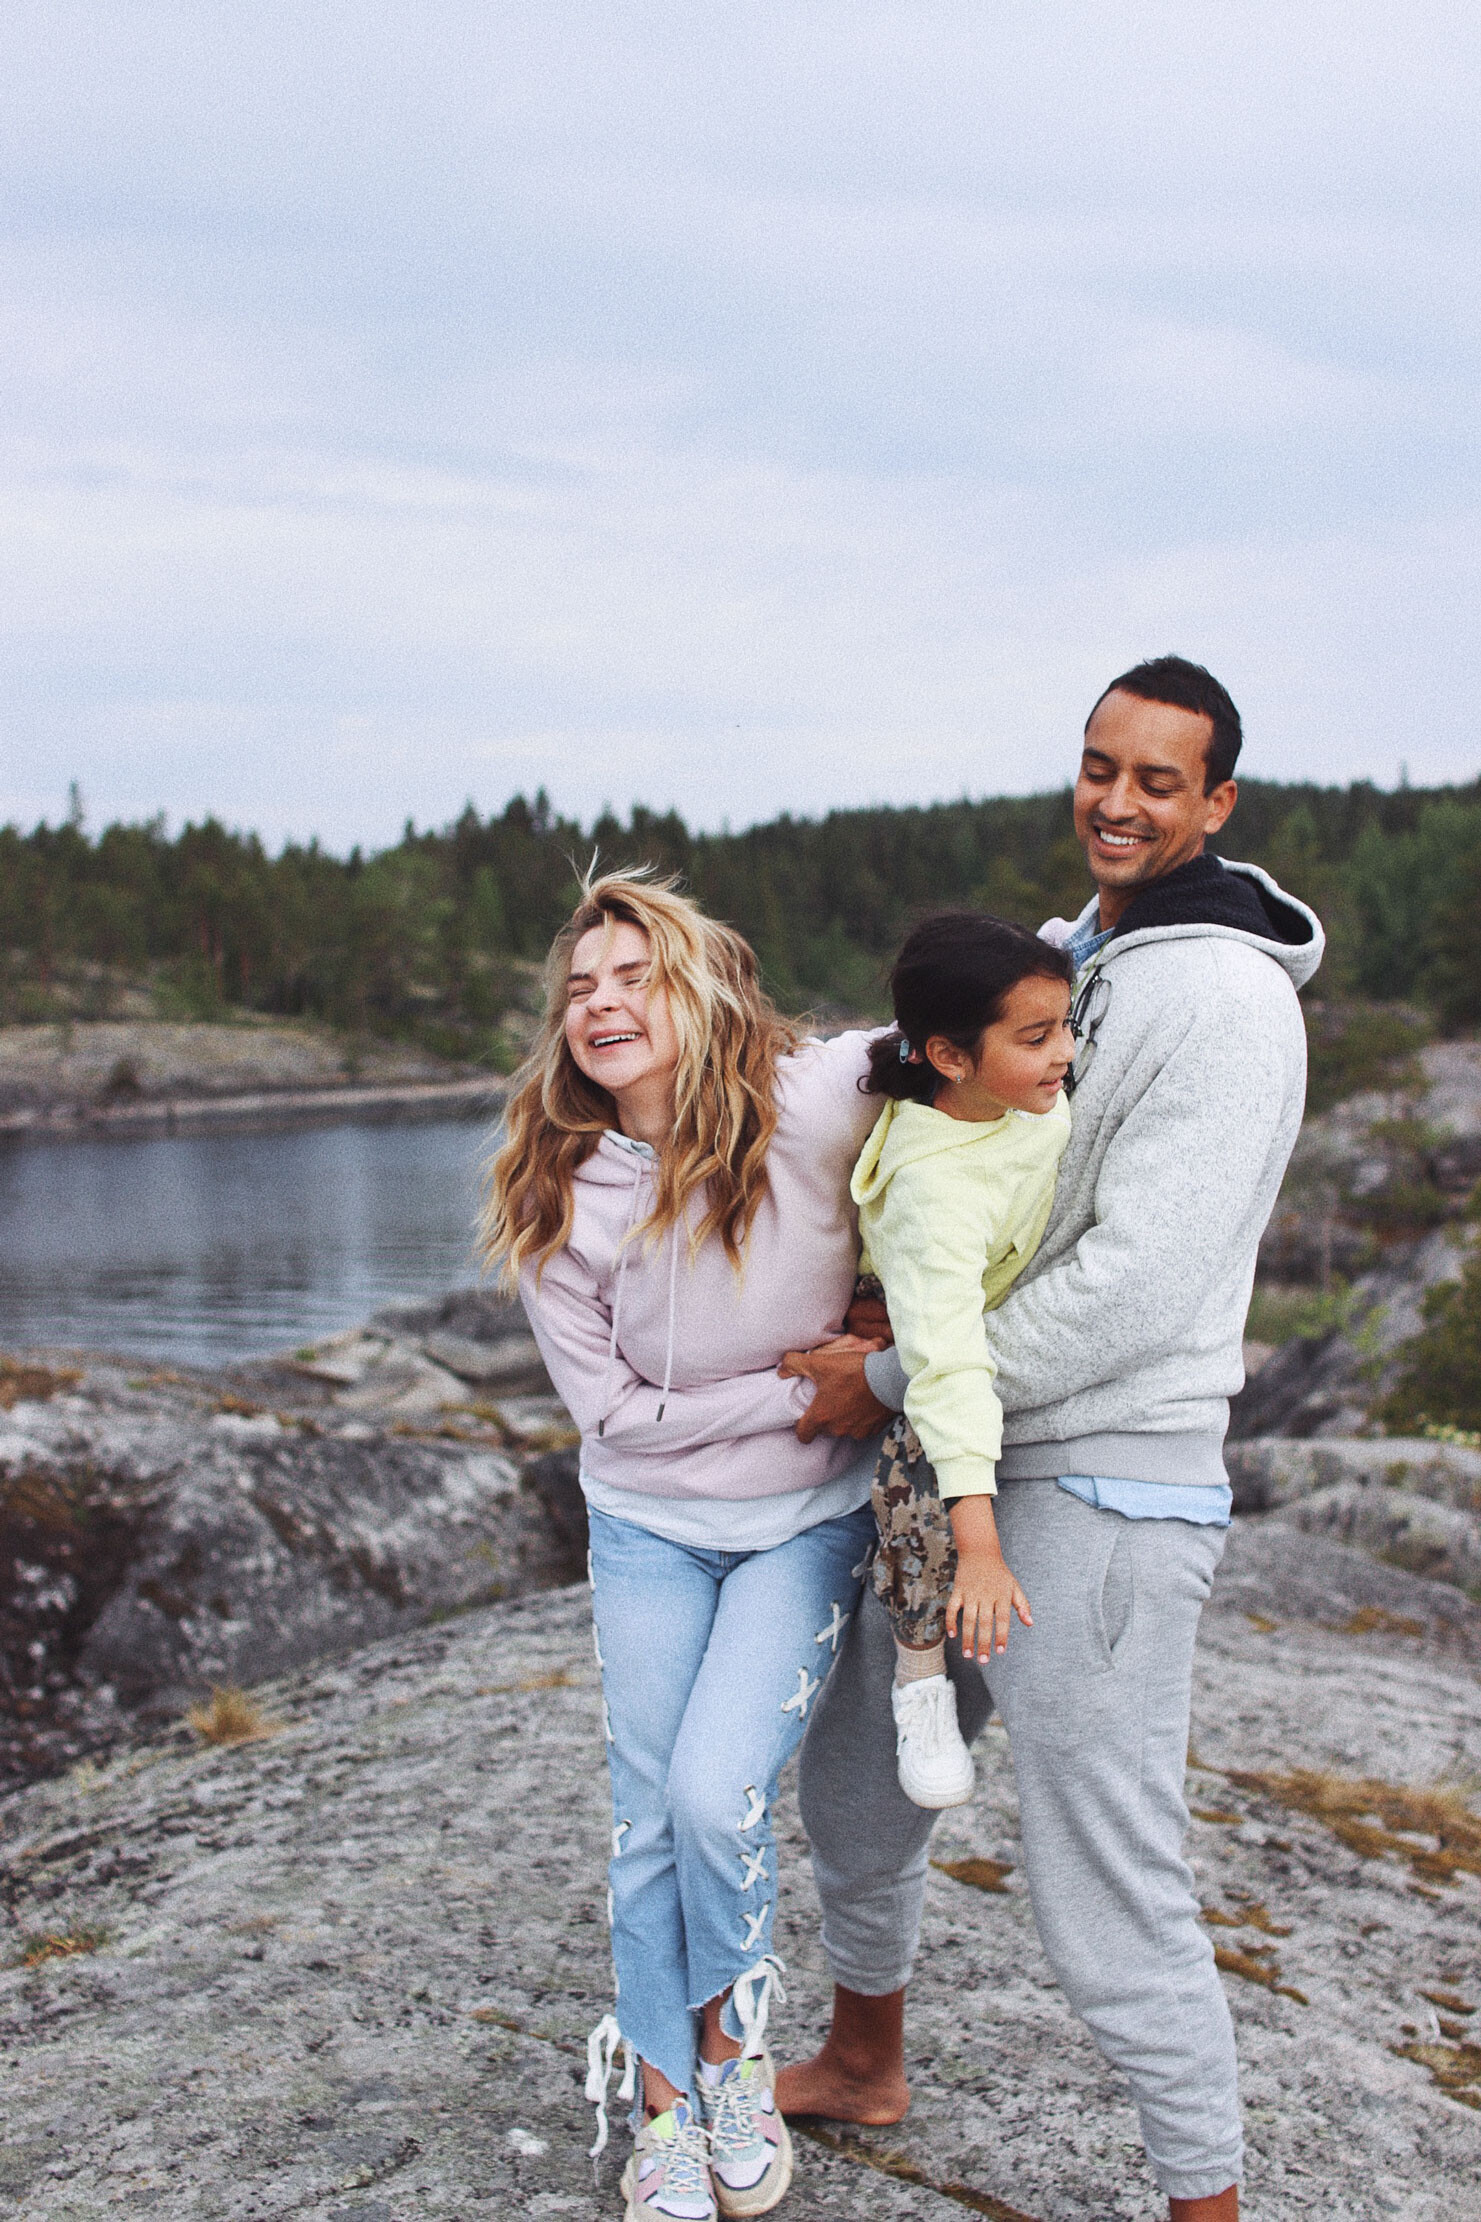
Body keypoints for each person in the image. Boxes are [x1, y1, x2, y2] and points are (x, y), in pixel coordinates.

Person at [776, 657, 1325, 2222]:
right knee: (861, 1773)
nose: (1117, 800)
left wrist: (886, 1382)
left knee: (1104, 1878)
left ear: (1216, 802)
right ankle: (864, 2055)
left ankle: (1204, 2201)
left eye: (1159, 780)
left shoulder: (1222, 1000)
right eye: (1100, 765)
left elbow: (1134, 1284)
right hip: (983, 1458)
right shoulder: (1083, 950)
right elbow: (988, 1181)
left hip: (1103, 1478)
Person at [481, 870, 887, 2222]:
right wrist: (806, 1387)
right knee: (649, 1815)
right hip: (648, 1530)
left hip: (796, 1529)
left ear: (700, 984)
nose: (600, 1002)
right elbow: (613, 1417)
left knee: (719, 1799)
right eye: (580, 986)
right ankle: (665, 2099)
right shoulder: (557, 1189)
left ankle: (737, 2058)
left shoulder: (812, 1099)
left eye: (632, 974)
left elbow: (964, 1008)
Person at [846, 912, 1073, 1809]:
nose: (1064, 1052)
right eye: (1036, 1037)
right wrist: (977, 1546)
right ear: (948, 1056)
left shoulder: (1027, 1093)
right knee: (915, 1474)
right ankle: (919, 1677)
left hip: (980, 1311)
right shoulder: (933, 1188)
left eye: (1064, 1024)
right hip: (928, 1332)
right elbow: (942, 1371)